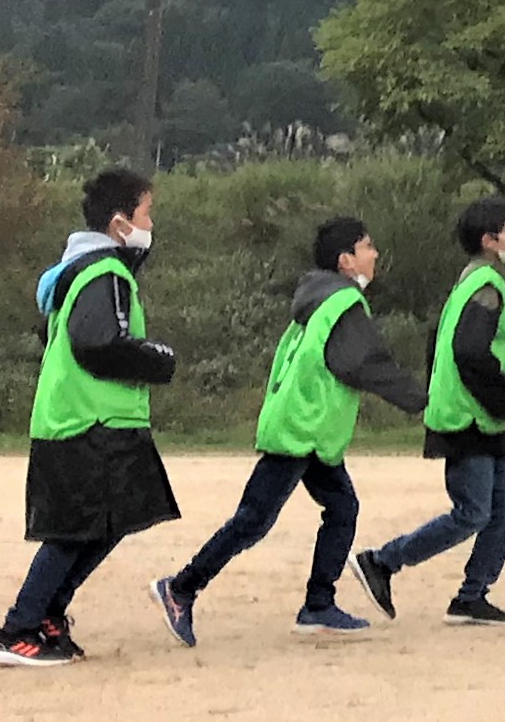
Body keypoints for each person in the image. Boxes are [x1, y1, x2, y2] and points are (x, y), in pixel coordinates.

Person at [157, 216, 419, 645]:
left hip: (308, 431)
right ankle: (181, 587)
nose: (374, 254)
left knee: (341, 509)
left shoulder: (320, 299)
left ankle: (318, 604)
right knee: (252, 520)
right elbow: (363, 364)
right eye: (367, 247)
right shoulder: (343, 303)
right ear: (346, 260)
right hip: (301, 429)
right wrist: (421, 402)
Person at [0, 168, 179, 668]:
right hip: (89, 423)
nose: (149, 223)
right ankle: (17, 629)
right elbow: (97, 343)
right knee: (74, 530)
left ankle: (50, 613)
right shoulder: (104, 271)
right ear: (119, 224)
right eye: (145, 213)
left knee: (111, 521)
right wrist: (157, 358)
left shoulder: (88, 269)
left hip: (91, 420)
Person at [359, 198, 505, 625]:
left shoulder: (470, 281)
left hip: (479, 417)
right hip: (468, 417)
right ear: (489, 241)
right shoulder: (485, 286)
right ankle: (382, 562)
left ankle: (471, 596)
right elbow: (469, 352)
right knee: (473, 512)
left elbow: (441, 343)